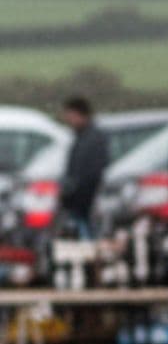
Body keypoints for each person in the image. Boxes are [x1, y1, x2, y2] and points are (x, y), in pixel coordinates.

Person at [57, 96, 109, 238]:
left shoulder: (91, 139)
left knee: (86, 235)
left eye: (70, 116)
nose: (68, 120)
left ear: (81, 114)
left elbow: (89, 173)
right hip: (80, 201)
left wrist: (73, 193)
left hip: (84, 202)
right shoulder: (84, 137)